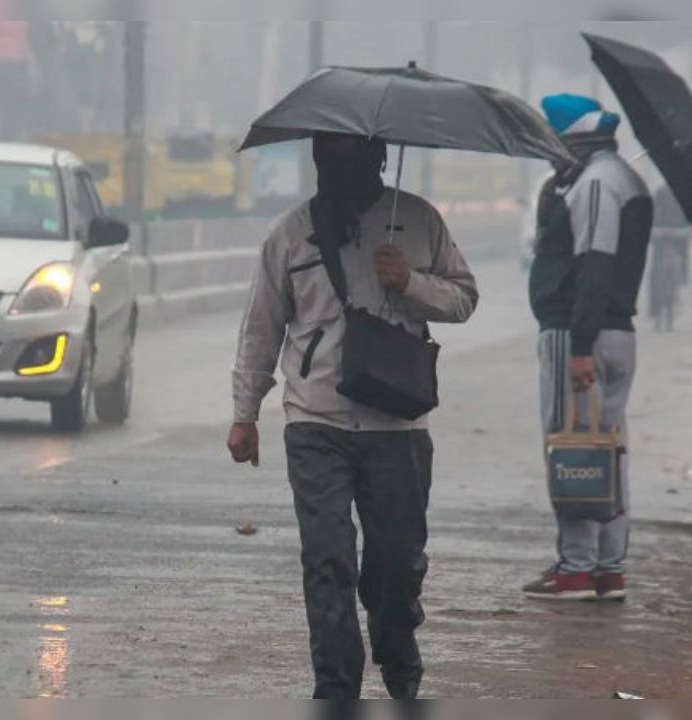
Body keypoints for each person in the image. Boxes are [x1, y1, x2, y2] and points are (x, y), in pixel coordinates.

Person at [227, 131, 478, 698]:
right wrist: (245, 413)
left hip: (399, 426)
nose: (338, 171)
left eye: (352, 158)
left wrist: (410, 283)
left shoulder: (418, 221)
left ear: (380, 160)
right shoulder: (290, 234)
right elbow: (261, 327)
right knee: (327, 561)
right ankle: (336, 686)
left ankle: (399, 663)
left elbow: (463, 298)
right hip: (317, 421)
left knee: (395, 565)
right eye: (327, 158)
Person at [523, 94, 652, 601]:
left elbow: (595, 266)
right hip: (612, 333)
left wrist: (578, 346)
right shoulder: (615, 177)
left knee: (572, 444)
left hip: (582, 336)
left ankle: (576, 566)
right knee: (607, 449)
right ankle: (607, 566)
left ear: (570, 138)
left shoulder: (597, 183)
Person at [648, 184, 690, 332]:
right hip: (674, 241)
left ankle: (658, 311)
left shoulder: (660, 193)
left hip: (667, 241)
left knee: (658, 277)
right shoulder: (685, 194)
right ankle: (674, 302)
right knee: (669, 275)